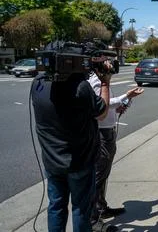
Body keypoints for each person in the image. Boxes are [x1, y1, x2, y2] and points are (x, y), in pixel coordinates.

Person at [31, 62, 111, 232]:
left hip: (52, 161)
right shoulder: (80, 87)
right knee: (81, 208)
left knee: (56, 206)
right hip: (79, 161)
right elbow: (102, 113)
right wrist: (104, 82)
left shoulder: (37, 83)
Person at [88, 72, 144, 231]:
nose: (111, 65)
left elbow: (108, 105)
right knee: (99, 175)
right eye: (108, 61)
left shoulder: (103, 80)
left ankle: (101, 207)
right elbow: (100, 105)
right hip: (102, 133)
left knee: (103, 174)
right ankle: (93, 217)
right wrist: (124, 96)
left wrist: (125, 101)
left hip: (107, 131)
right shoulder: (96, 81)